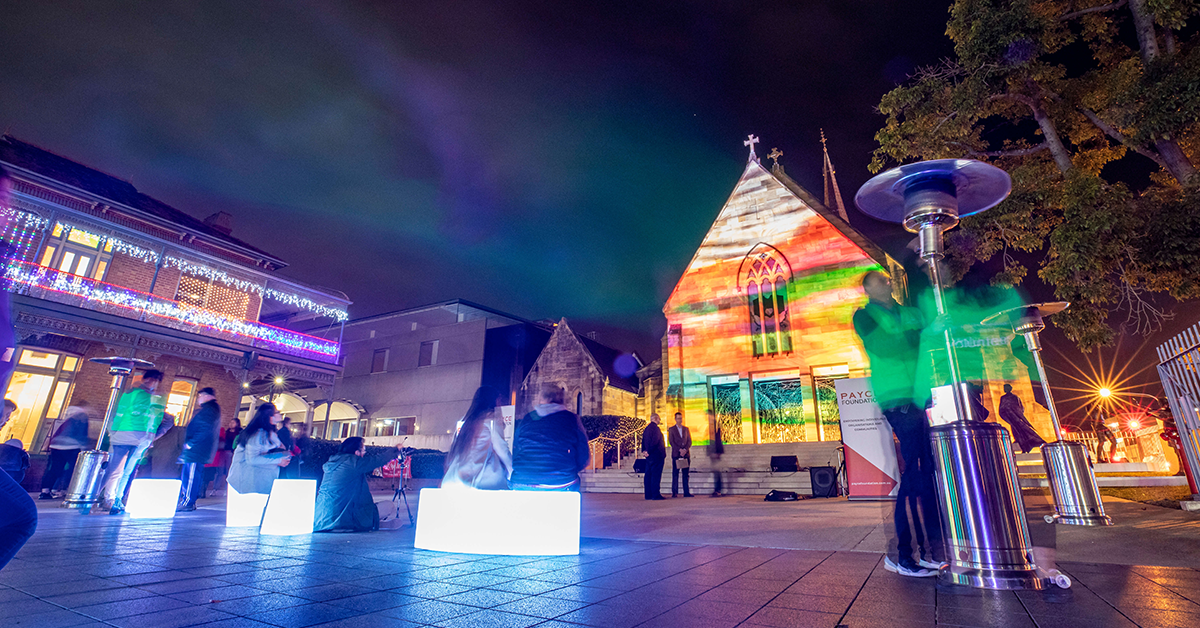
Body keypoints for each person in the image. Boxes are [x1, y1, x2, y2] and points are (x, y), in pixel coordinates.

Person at [853, 270, 942, 578]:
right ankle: (904, 555)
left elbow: (926, 344)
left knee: (927, 472)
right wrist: (920, 334)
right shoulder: (864, 317)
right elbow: (884, 347)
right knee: (913, 472)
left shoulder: (908, 313)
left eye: (884, 281)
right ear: (866, 290)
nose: (881, 286)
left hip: (920, 398)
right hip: (897, 401)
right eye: (874, 283)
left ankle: (931, 550)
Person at [98, 369, 166, 515]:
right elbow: (126, 414)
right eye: (153, 381)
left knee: (121, 470)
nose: (153, 384)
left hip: (133, 437)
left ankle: (113, 499)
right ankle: (105, 498)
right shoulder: (138, 395)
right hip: (129, 436)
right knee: (117, 470)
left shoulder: (144, 396)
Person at [509, 382, 590, 491]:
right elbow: (584, 455)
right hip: (560, 481)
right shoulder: (571, 418)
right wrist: (568, 469)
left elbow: (516, 448)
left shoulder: (528, 417)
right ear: (561, 400)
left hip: (522, 480)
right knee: (574, 482)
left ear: (541, 399)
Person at [314, 437, 403, 532]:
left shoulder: (333, 463)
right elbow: (377, 460)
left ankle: (375, 524)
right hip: (341, 518)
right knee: (389, 506)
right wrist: (395, 450)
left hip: (321, 519)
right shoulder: (352, 462)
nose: (365, 453)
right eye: (364, 450)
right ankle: (373, 524)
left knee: (366, 508)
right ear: (356, 452)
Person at [442, 386, 512, 490]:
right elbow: (501, 448)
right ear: (494, 400)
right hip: (480, 479)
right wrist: (513, 471)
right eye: (499, 399)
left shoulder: (467, 420)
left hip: (454, 478)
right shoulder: (491, 418)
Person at [226, 403, 291, 497]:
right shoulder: (257, 434)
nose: (279, 414)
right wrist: (278, 460)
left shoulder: (267, 432)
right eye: (276, 412)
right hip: (245, 478)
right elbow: (252, 459)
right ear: (269, 416)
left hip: (252, 478)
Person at [177, 388, 221, 511]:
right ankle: (188, 500)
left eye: (200, 396)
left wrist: (191, 443)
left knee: (191, 476)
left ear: (206, 396)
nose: (198, 399)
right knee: (191, 475)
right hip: (198, 449)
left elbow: (204, 428)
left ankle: (188, 502)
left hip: (196, 450)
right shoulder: (211, 409)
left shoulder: (209, 409)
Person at [39, 402, 92, 499]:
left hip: (56, 445)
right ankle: (66, 490)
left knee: (54, 468)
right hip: (72, 446)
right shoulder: (82, 416)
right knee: (73, 469)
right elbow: (81, 433)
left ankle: (45, 491)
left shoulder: (67, 414)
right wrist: (84, 445)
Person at [998, 384, 1046, 454]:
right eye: (1004, 388)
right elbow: (1002, 408)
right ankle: (1022, 445)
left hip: (1016, 418)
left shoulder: (1015, 397)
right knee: (1015, 430)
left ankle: (1027, 445)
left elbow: (1020, 407)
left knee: (1022, 430)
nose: (1004, 389)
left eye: (1006, 388)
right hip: (1011, 418)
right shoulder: (1004, 398)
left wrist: (1018, 415)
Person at [640, 413, 666, 500]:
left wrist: (644, 451)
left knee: (648, 475)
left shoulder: (646, 429)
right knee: (656, 475)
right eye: (659, 419)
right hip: (656, 456)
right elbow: (655, 441)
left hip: (649, 456)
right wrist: (649, 451)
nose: (660, 420)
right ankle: (655, 494)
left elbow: (643, 441)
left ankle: (648, 494)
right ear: (656, 419)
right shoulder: (656, 429)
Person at [668, 411, 692, 498]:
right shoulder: (672, 429)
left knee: (686, 474)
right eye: (678, 418)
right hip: (676, 454)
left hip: (685, 455)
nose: (680, 420)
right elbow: (671, 441)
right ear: (675, 419)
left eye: (681, 418)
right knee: (675, 473)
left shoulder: (686, 429)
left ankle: (686, 492)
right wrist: (679, 450)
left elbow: (689, 441)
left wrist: (685, 449)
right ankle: (675, 492)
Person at [706, 409, 724, 497]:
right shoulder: (710, 426)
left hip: (716, 452)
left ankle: (718, 490)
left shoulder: (714, 425)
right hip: (713, 452)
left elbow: (717, 439)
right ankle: (717, 489)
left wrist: (717, 452)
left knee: (717, 472)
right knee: (716, 472)